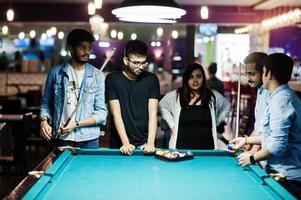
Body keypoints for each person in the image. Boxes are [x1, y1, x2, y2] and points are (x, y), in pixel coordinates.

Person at [230, 53, 301, 198]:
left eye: (262, 71)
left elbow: (277, 145)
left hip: (286, 176)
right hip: (283, 173)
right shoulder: (280, 96)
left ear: (268, 73)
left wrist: (251, 157)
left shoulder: (281, 100)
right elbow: (271, 135)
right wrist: (247, 140)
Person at [40, 29, 107, 148]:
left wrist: (76, 124)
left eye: (89, 48)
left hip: (88, 139)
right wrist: (43, 122)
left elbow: (102, 114)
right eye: (82, 48)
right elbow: (46, 103)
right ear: (71, 49)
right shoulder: (56, 73)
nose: (87, 52)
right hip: (61, 137)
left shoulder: (97, 75)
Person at [105, 40, 160, 155]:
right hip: (120, 144)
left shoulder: (152, 79)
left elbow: (153, 113)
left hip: (145, 144)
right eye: (136, 63)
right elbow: (116, 113)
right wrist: (125, 143)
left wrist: (150, 142)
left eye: (143, 62)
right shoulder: (112, 79)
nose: (140, 67)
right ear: (126, 60)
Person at [159, 63, 230, 150]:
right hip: (181, 150)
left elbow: (227, 106)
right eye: (191, 77)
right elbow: (161, 105)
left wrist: (216, 121)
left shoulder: (212, 95)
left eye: (198, 76)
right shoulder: (177, 95)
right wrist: (171, 124)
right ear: (186, 79)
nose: (195, 80)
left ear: (203, 78)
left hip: (207, 150)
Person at [243, 52, 268, 153]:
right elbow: (258, 127)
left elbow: (264, 131)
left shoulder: (269, 92)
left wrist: (251, 153)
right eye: (247, 74)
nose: (248, 79)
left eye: (252, 74)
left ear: (264, 72)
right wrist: (248, 142)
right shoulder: (260, 89)